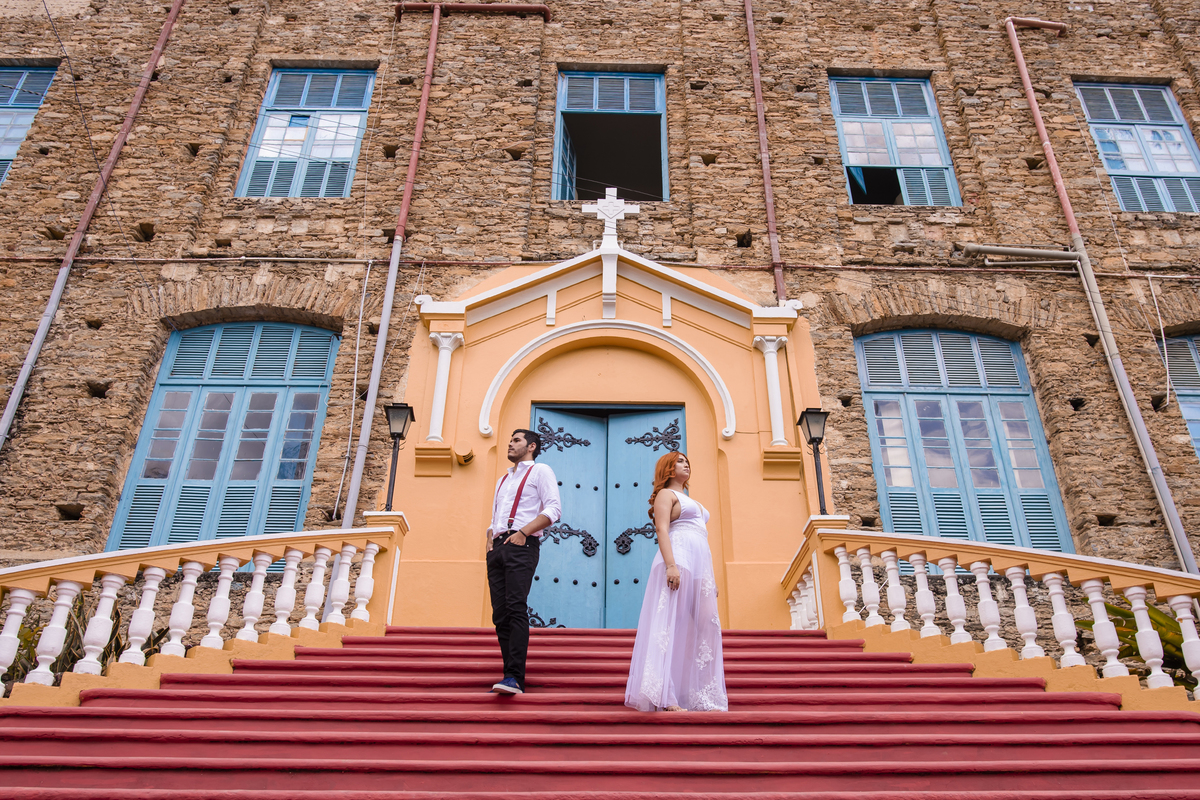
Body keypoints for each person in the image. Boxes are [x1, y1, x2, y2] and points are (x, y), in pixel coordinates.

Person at [625, 451, 728, 712]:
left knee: (707, 623)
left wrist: (708, 578)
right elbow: (661, 529)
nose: (686, 464)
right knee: (669, 625)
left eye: (687, 461)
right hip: (678, 561)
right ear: (669, 468)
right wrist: (671, 565)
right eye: (680, 461)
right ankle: (666, 696)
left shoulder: (691, 500)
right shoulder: (666, 495)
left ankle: (702, 694)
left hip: (699, 567)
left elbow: (702, 540)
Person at [485, 428, 561, 695]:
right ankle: (508, 673)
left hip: (522, 545)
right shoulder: (503, 479)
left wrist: (523, 533)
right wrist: (489, 542)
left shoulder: (541, 471)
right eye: (510, 440)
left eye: (516, 440)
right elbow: (496, 516)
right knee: (500, 614)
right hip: (497, 548)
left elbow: (553, 509)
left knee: (516, 606)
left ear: (531, 446)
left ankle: (515, 677)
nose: (510, 444)